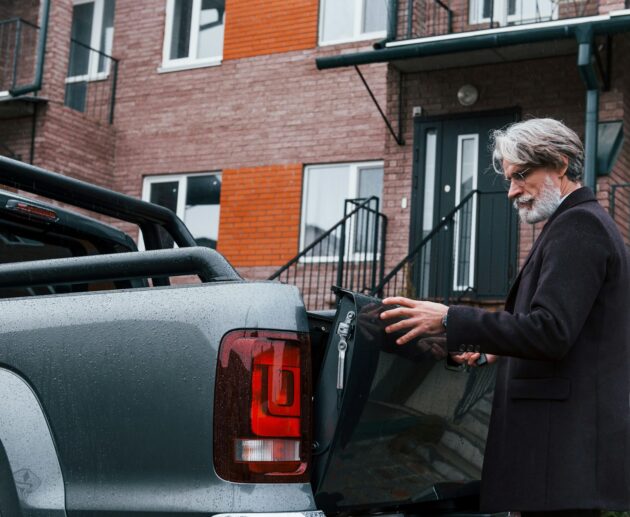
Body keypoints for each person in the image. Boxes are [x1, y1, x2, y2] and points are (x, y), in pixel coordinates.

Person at [380, 118, 630, 516]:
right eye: (510, 178)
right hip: (562, 463)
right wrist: (493, 349)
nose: (512, 190)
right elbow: (570, 334)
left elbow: (550, 331)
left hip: (563, 459)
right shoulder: (574, 225)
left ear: (561, 164)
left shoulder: (578, 226)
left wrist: (450, 319)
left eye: (521, 175)